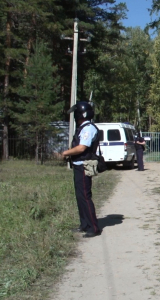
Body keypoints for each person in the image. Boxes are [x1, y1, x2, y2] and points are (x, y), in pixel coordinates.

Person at [62, 101, 102, 238]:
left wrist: (66, 153)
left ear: (81, 114)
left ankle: (93, 227)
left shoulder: (88, 129)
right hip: (79, 165)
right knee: (80, 197)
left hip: (84, 165)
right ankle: (84, 224)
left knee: (85, 196)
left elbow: (82, 148)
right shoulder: (83, 128)